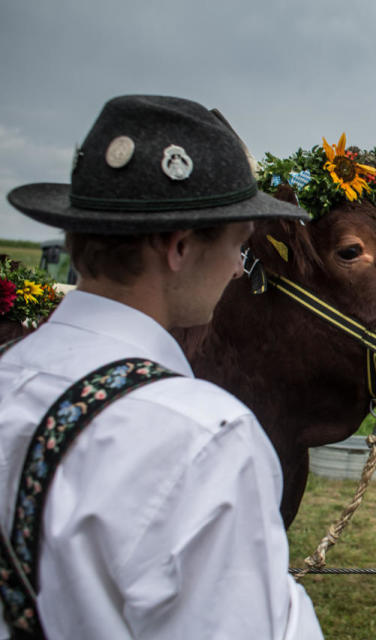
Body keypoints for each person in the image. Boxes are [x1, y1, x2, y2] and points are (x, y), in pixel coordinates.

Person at [0, 95, 324, 639]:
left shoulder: (11, 374)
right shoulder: (202, 437)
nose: (234, 270)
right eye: (239, 247)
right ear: (178, 246)